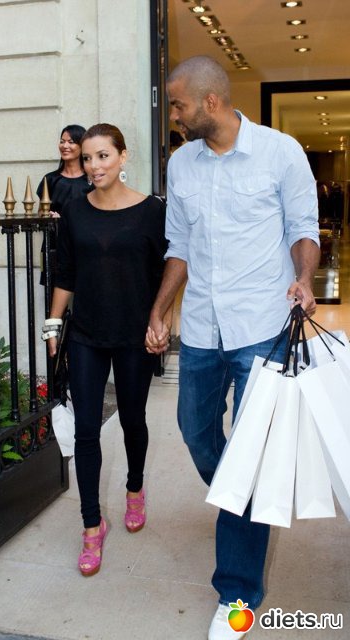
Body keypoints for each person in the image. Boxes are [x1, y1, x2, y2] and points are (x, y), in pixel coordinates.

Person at [145, 56, 320, 640]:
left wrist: (305, 279)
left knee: (246, 453)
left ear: (210, 102)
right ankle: (243, 496)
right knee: (196, 433)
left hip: (261, 324)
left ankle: (238, 593)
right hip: (201, 327)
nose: (174, 115)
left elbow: (303, 228)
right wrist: (159, 310)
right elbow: (179, 245)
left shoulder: (280, 152)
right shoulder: (182, 163)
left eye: (178, 105)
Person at [42, 123, 168, 577]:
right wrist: (53, 325)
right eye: (88, 158)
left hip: (134, 336)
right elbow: (66, 273)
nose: (94, 166)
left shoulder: (152, 210)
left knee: (133, 420)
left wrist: (161, 320)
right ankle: (91, 527)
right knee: (86, 432)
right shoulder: (75, 210)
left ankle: (134, 488)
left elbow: (168, 272)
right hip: (86, 335)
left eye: (103, 156)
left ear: (122, 156)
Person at [36, 124, 93, 283]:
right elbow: (40, 214)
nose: (65, 146)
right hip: (54, 244)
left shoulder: (91, 180)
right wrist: (48, 217)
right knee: (54, 289)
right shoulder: (50, 179)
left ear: (82, 146)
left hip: (83, 244)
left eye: (71, 142)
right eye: (62, 141)